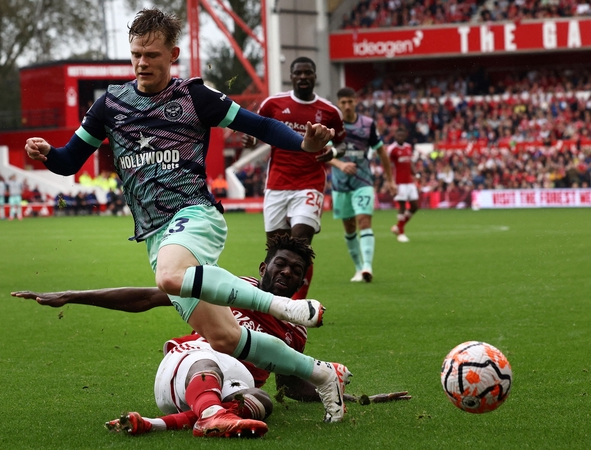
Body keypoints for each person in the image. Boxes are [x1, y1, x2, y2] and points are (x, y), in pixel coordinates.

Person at [22, 8, 349, 423]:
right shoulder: (109, 105)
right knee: (225, 336)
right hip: (157, 234)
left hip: (195, 215)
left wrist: (303, 144)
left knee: (168, 278)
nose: (142, 63)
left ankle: (284, 307)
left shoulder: (196, 98)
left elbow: (261, 126)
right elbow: (69, 160)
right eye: (137, 54)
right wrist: (46, 153)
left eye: (152, 55)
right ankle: (322, 376)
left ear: (172, 54)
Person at [12, 235, 409, 437]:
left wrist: (362, 398)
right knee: (214, 356)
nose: (287, 273)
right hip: (187, 369)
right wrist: (71, 296)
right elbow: (150, 296)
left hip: (233, 392)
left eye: (295, 271)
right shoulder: (229, 286)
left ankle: (175, 423)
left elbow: (294, 386)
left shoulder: (294, 334)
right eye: (281, 264)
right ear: (264, 266)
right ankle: (205, 413)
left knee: (263, 398)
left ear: (303, 282)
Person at [242, 56, 345, 299]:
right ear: (291, 76)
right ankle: (271, 303)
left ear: (315, 76)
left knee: (300, 243)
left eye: (307, 72)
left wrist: (335, 152)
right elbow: (257, 129)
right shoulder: (273, 104)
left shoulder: (329, 111)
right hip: (277, 184)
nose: (302, 77)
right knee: (276, 250)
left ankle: (295, 306)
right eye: (298, 73)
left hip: (310, 184)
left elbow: (343, 142)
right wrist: (251, 139)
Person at [322, 88, 396, 283]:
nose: (347, 106)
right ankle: (357, 268)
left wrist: (390, 180)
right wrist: (340, 164)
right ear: (338, 104)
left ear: (355, 102)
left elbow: (382, 153)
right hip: (340, 185)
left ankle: (367, 267)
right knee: (349, 227)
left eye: (350, 102)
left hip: (363, 181)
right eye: (343, 102)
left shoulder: (368, 125)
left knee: (364, 221)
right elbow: (324, 152)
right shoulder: (331, 126)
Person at [387, 127, 419, 243]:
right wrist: (389, 181)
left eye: (402, 135)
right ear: (395, 136)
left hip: (409, 182)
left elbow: (409, 162)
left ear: (405, 135)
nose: (400, 137)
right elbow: (387, 165)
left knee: (415, 206)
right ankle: (401, 233)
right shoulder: (392, 149)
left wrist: (415, 173)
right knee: (402, 206)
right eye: (398, 135)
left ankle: (397, 227)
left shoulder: (408, 147)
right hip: (399, 183)